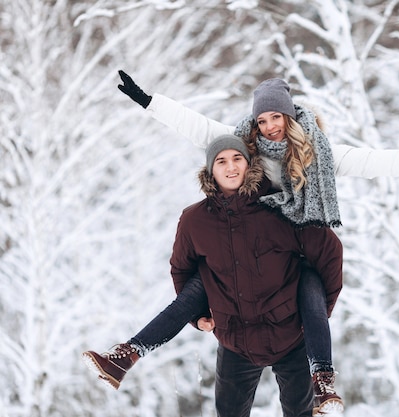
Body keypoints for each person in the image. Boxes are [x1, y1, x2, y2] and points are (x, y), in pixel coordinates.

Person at [83, 72, 399, 412]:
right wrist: (149, 101)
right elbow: (199, 128)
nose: (269, 126)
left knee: (309, 289)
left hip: (291, 247)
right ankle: (127, 355)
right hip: (238, 243)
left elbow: (372, 162)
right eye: (262, 119)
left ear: (290, 114)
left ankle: (324, 380)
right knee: (199, 285)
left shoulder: (316, 153)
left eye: (276, 117)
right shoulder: (243, 147)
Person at [89, 135, 344, 417]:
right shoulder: (195, 220)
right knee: (201, 279)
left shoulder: (282, 207)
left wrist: (318, 314)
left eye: (237, 159)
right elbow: (181, 269)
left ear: (249, 165)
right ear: (211, 170)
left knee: (301, 413)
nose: (230, 167)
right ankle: (127, 354)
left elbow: (329, 253)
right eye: (221, 161)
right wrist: (197, 317)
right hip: (237, 337)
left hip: (290, 334)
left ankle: (323, 379)